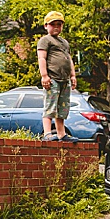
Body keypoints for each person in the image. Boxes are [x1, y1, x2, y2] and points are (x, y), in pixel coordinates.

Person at [36, 10, 77, 141]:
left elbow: (68, 59)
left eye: (59, 24)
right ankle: (47, 133)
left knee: (62, 108)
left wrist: (72, 75)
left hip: (65, 80)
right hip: (52, 79)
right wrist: (44, 76)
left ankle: (61, 134)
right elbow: (42, 58)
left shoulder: (64, 42)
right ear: (46, 26)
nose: (56, 27)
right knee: (50, 106)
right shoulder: (45, 40)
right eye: (53, 24)